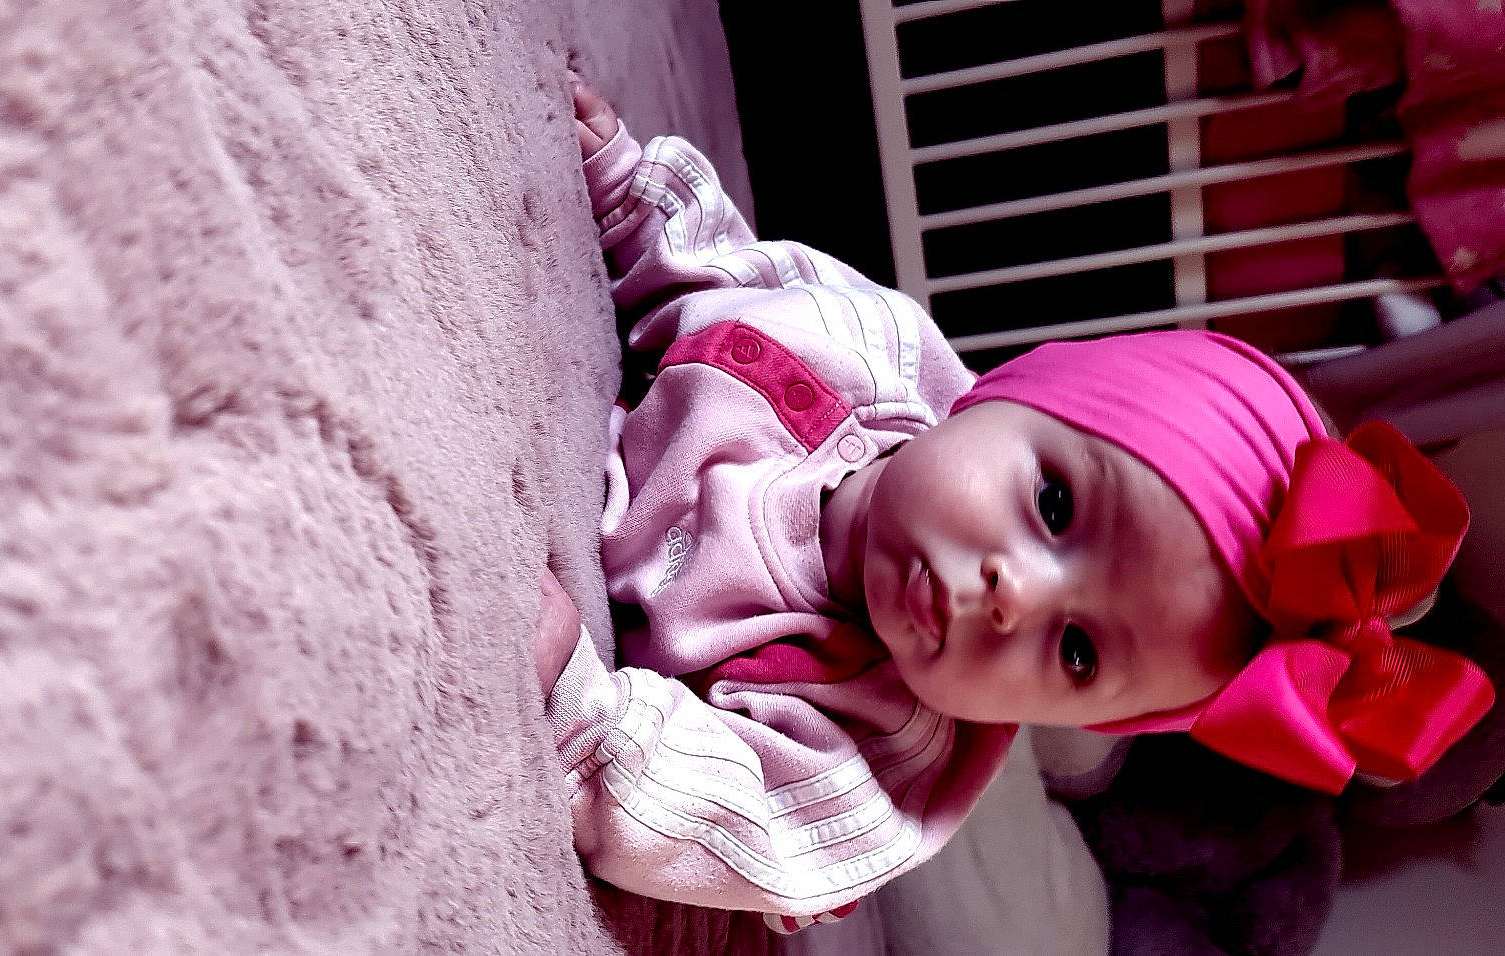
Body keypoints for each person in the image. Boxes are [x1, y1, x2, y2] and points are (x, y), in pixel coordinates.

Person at [532, 76, 1496, 935]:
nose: (1011, 596)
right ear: (1013, 391)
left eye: (1077, 653)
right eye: (1054, 502)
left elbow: (704, 815)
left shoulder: (868, 765)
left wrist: (579, 705)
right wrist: (630, 189)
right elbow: (719, 267)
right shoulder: (865, 347)